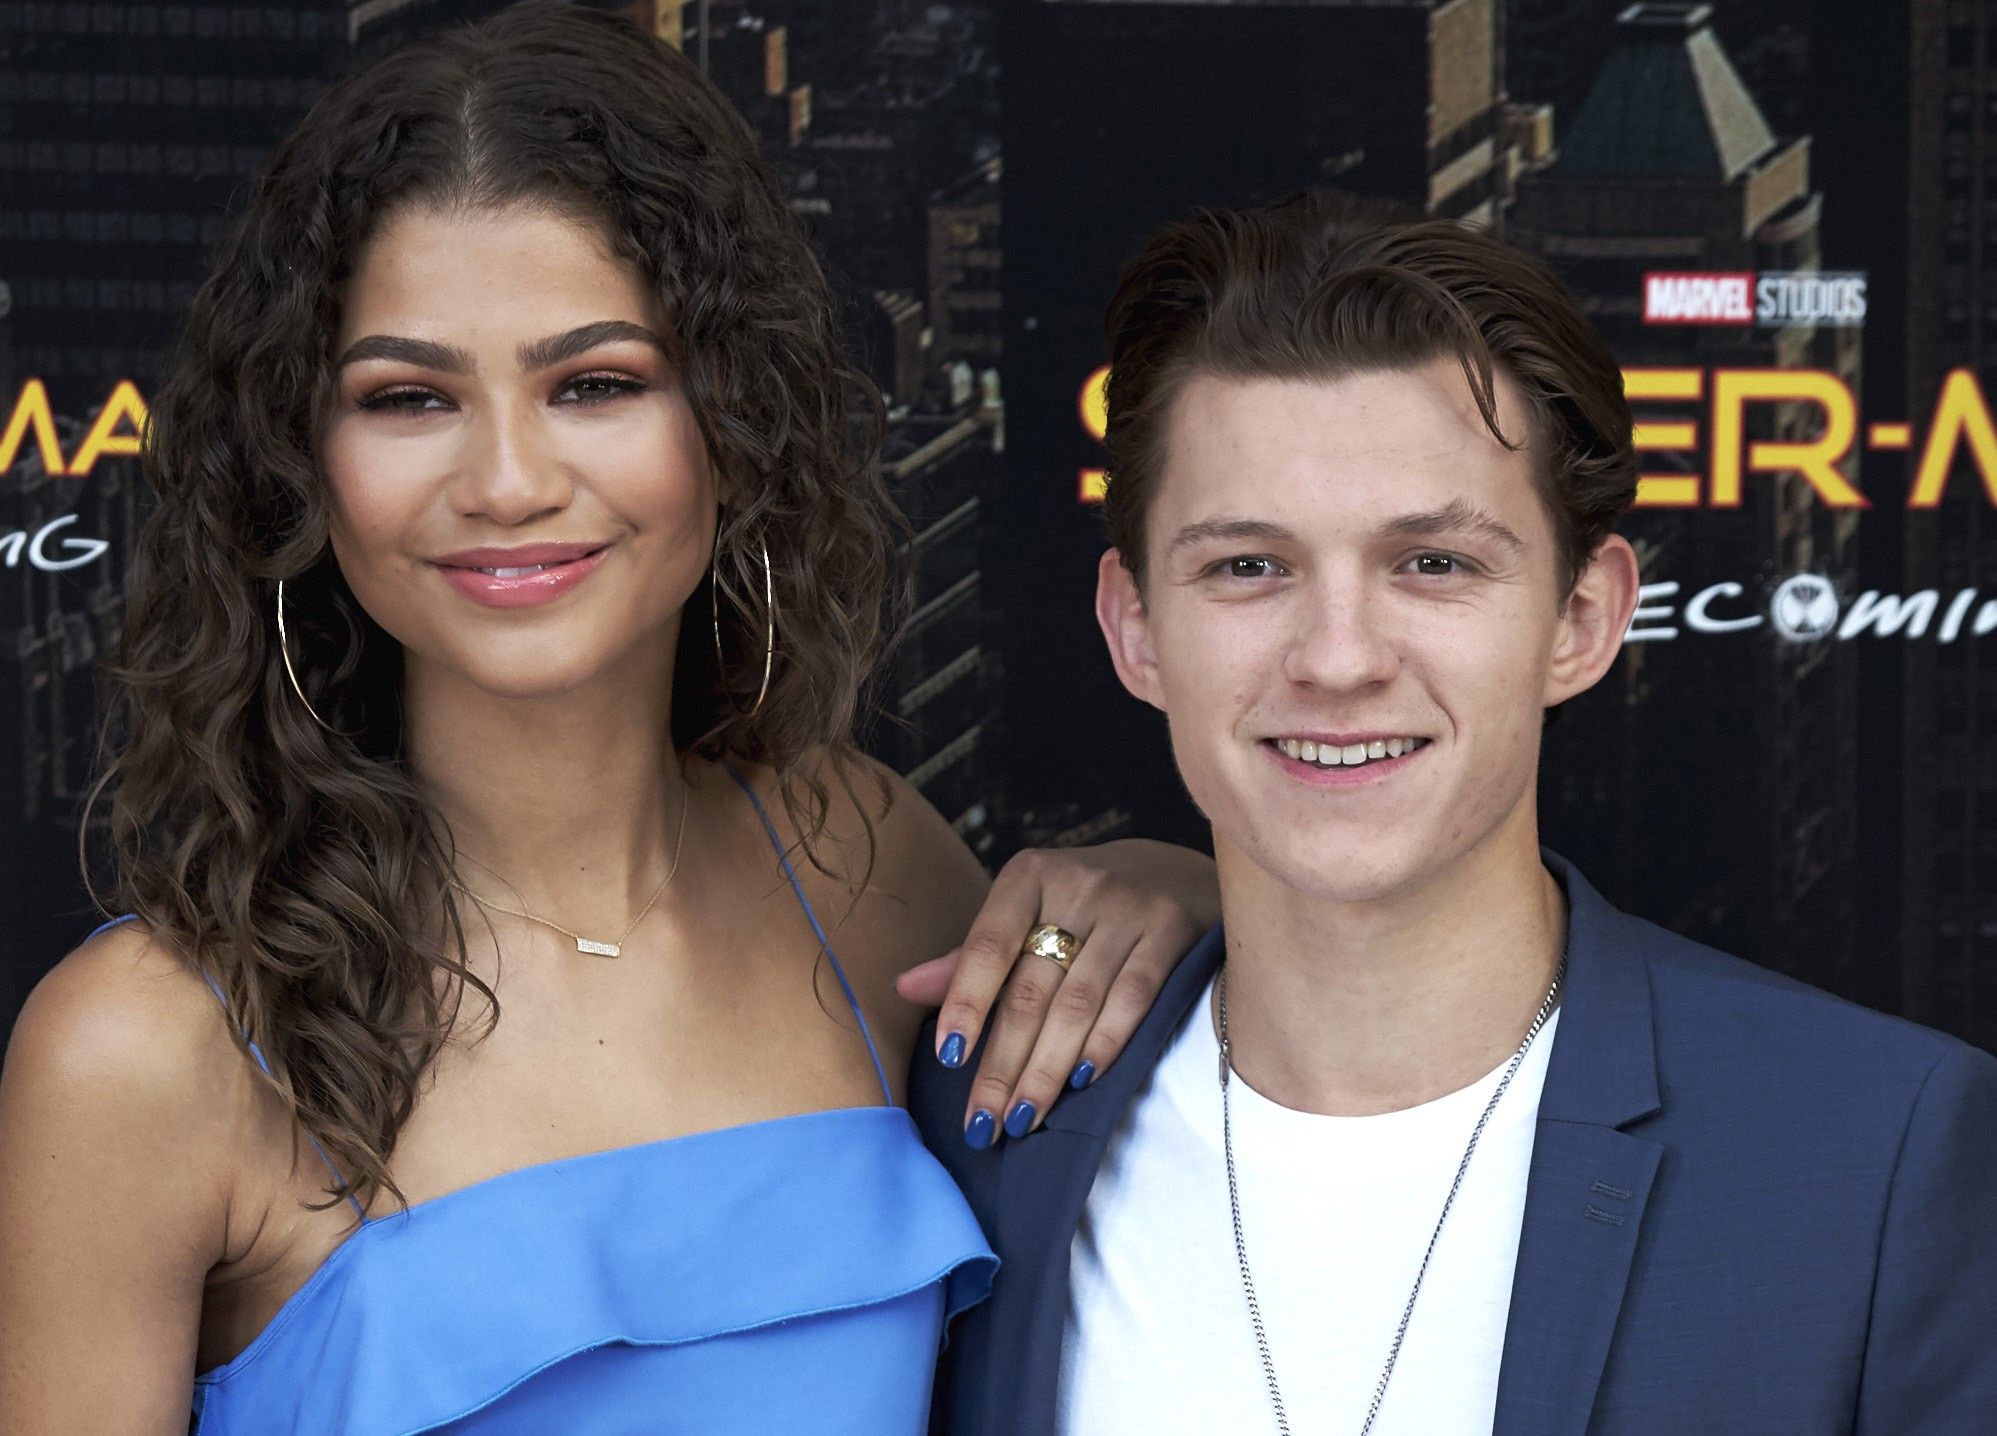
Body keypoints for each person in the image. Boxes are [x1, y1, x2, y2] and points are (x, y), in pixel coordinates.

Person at [0, 9, 1219, 1434]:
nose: (508, 480)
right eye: (408, 397)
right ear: (302, 460)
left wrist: (1169, 889)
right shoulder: (142, 1051)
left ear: (730, 422)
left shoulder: (859, 860)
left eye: (594, 384)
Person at [912, 190, 1997, 1434]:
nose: (1336, 657)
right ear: (1135, 627)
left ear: (1580, 619)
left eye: (1431, 563)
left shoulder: (1875, 1149)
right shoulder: (974, 1128)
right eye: (1246, 565)